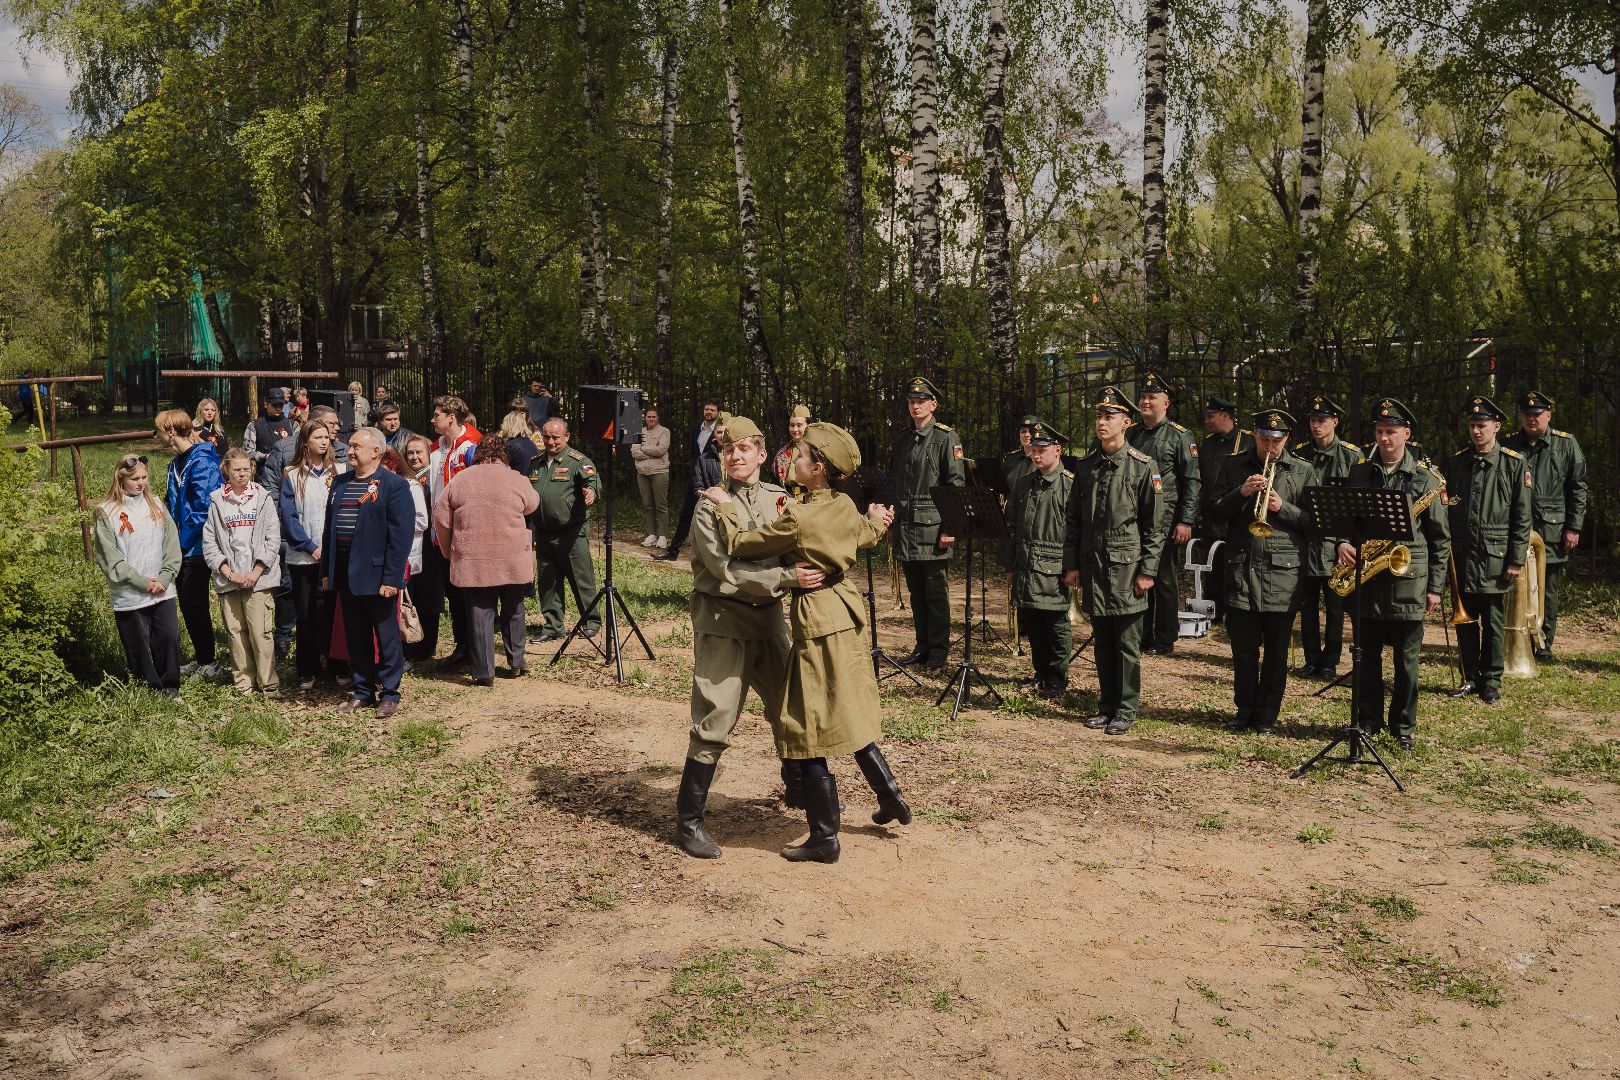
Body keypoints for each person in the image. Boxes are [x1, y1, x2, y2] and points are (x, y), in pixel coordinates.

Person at [701, 422, 904, 864]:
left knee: (804, 724)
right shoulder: (844, 504)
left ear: (818, 469)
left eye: (803, 453)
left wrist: (725, 507)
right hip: (847, 612)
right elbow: (862, 535)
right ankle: (889, 795)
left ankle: (824, 837)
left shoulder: (799, 517)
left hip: (816, 619)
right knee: (849, 705)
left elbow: (741, 544)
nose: (794, 456)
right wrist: (877, 520)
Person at [676, 415, 796, 858]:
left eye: (744, 448)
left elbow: (798, 545)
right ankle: (688, 820)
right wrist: (786, 577)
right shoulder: (709, 506)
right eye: (728, 449)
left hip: (770, 623)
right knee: (716, 717)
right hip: (724, 622)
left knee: (790, 707)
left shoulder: (780, 500)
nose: (735, 455)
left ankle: (798, 786)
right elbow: (724, 569)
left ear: (762, 454)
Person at [1336, 398, 1450, 750]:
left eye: (1390, 431)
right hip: (1368, 580)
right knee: (1366, 658)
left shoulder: (1426, 479)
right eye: (1379, 431)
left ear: (1406, 434)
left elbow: (1440, 539)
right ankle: (1369, 720)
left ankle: (1403, 726)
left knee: (1407, 662)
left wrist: (1435, 588)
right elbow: (1344, 522)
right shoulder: (1359, 472)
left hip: (1408, 582)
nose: (1384, 438)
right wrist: (1342, 543)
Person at [1062, 387, 1166, 736]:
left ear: (1126, 422)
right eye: (1099, 416)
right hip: (1094, 565)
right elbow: (1074, 521)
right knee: (1103, 641)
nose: (1102, 422)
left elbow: (1155, 526)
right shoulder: (1086, 466)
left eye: (1110, 417)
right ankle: (1106, 705)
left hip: (1127, 567)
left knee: (1126, 643)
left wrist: (1148, 570)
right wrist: (1072, 565)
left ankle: (1125, 708)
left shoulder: (1143, 466)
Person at [1209, 409, 1311, 734]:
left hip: (1283, 574)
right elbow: (1214, 513)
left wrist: (1283, 508)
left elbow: (1314, 524)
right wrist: (1240, 493)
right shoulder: (1233, 465)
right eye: (1264, 439)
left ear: (1287, 439)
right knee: (1243, 650)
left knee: (1277, 652)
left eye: (1276, 441)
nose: (1269, 447)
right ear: (1254, 434)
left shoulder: (1303, 470)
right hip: (1242, 569)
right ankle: (1244, 710)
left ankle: (1267, 715)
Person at [1443, 396, 1531, 704]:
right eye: (1472, 425)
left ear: (1496, 427)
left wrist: (1516, 559)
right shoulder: (1456, 464)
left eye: (1482, 425)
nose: (1476, 431)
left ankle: (1491, 680)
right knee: (1465, 620)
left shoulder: (1513, 463)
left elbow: (1522, 517)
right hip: (1462, 555)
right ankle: (1470, 677)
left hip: (1495, 557)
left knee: (1493, 623)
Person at [432, 434, 539, 686]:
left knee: (479, 613)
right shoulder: (516, 478)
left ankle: (483, 672)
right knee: (514, 608)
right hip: (512, 556)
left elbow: (441, 518)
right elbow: (532, 504)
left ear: (477, 455)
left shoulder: (460, 479)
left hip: (473, 558)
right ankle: (516, 661)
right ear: (504, 455)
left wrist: (449, 551)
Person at [323, 427, 414, 717]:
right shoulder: (340, 483)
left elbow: (400, 537)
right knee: (356, 637)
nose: (349, 451)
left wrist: (392, 578)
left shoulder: (394, 485)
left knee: (386, 638)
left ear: (376, 452)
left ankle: (389, 693)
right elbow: (329, 530)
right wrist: (328, 570)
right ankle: (362, 690)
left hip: (378, 578)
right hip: (346, 576)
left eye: (356, 446)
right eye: (349, 446)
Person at [1502, 390, 1587, 661]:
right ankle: (1515, 637)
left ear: (1548, 415)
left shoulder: (1566, 444)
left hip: (1552, 530)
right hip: (1514, 528)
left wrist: (1574, 527)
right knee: (1513, 583)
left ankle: (1542, 641)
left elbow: (1578, 488)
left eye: (1537, 414)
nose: (1532, 418)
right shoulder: (1508, 444)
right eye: (1527, 414)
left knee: (1546, 588)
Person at [891, 376, 965, 673]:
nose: (916, 406)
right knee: (916, 593)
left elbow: (955, 485)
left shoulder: (947, 438)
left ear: (933, 404)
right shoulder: (902, 438)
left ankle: (938, 650)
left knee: (936, 593)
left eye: (921, 401)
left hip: (933, 528)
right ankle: (922, 647)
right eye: (911, 401)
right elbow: (896, 483)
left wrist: (950, 527)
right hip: (906, 526)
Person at [93, 453, 183, 696]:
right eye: (135, 479)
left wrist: (165, 576)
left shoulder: (156, 505)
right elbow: (109, 557)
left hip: (161, 588)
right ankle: (149, 689)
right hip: (130, 593)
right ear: (121, 478)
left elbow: (171, 543)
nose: (141, 483)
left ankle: (170, 686)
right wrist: (141, 582)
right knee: (138, 645)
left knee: (168, 636)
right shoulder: (107, 512)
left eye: (144, 477)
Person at [1002, 421, 1074, 700]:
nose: (1036, 455)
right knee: (1032, 621)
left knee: (1054, 623)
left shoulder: (1069, 485)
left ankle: (1057, 678)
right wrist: (1011, 564)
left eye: (1042, 449)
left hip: (1054, 568)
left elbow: (1076, 530)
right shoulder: (1024, 483)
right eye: (1033, 449)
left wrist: (1072, 567)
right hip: (1026, 565)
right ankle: (1041, 673)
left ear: (1057, 450)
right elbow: (1011, 526)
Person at [1128, 372, 1199, 656]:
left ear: (1166, 403)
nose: (1146, 402)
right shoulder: (1131, 434)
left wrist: (1186, 520)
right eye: (1143, 397)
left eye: (1152, 397)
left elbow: (1191, 480)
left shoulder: (1179, 436)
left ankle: (1166, 637)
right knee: (1138, 574)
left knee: (1165, 579)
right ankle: (1142, 634)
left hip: (1166, 520)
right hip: (1135, 517)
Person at [202, 448, 282, 696]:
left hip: (259, 578)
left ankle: (268, 683)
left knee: (261, 632)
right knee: (236, 633)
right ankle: (244, 683)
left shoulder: (262, 498)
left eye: (246, 469)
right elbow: (210, 543)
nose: (242, 474)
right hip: (230, 579)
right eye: (236, 469)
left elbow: (273, 539)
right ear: (226, 470)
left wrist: (256, 572)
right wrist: (228, 572)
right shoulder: (218, 501)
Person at [1291, 394, 1361, 679]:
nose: (1316, 425)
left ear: (1335, 422)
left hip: (1337, 545)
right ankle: (1311, 659)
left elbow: (1357, 506)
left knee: (1335, 605)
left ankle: (1330, 660)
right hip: (1306, 541)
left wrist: (1346, 541)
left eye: (1322, 420)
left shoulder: (1351, 456)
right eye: (1312, 420)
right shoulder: (1299, 454)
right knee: (1306, 606)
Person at [280, 418, 347, 690]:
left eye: (326, 437)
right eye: (318, 437)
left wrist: (331, 549)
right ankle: (308, 669)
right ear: (305, 442)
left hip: (334, 557)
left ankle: (338, 665)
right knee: (306, 614)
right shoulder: (292, 475)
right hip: (303, 559)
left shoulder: (340, 471)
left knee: (333, 611)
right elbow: (289, 519)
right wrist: (311, 547)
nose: (324, 441)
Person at [156, 409, 224, 677]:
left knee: (194, 601)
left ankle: (210, 662)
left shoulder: (202, 462)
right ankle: (202, 656)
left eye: (159, 430)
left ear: (171, 431)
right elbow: (171, 502)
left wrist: (180, 544)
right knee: (187, 602)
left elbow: (203, 509)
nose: (158, 436)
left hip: (197, 545)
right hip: (180, 544)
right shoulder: (176, 464)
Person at [527, 416, 603, 642]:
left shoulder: (578, 461)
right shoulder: (536, 462)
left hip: (571, 532)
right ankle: (553, 626)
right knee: (547, 581)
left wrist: (591, 492)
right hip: (543, 532)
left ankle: (591, 622)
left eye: (555, 437)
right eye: (546, 437)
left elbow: (592, 482)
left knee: (581, 578)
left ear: (567, 436)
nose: (550, 442)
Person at [424, 395, 482, 663]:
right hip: (441, 532)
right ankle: (462, 645)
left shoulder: (471, 446)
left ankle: (473, 647)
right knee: (452, 589)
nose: (432, 419)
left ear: (451, 417)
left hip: (464, 532)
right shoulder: (437, 447)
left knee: (466, 590)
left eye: (437, 415)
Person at [1196, 397, 1250, 625]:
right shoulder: (1208, 444)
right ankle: (1214, 611)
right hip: (1213, 514)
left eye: (1211, 416)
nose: (1207, 421)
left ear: (1225, 415)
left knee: (1237, 566)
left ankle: (1236, 609)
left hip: (1236, 514)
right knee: (1213, 565)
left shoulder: (1246, 440)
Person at [654, 398, 723, 560]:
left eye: (712, 410)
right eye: (706, 409)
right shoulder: (696, 430)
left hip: (715, 480)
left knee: (717, 516)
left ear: (718, 413)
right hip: (696, 479)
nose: (708, 412)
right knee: (686, 514)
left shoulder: (721, 431)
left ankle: (716, 555)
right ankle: (673, 551)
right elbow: (694, 455)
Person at [260, 404, 350, 487]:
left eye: (337, 424)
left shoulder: (344, 450)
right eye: (332, 424)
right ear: (314, 423)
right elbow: (270, 484)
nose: (337, 428)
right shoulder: (283, 449)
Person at [631, 405, 672, 548]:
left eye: (654, 416)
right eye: (649, 416)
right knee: (648, 505)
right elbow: (634, 452)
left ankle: (663, 536)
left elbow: (661, 450)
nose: (651, 419)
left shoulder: (664, 431)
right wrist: (651, 452)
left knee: (661, 505)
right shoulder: (639, 432)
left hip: (659, 472)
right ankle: (652, 535)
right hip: (642, 473)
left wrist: (643, 449)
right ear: (645, 418)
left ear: (658, 418)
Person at [242, 387, 296, 467]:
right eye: (274, 405)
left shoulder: (293, 425)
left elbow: (300, 450)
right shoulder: (254, 425)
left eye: (281, 405)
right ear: (266, 405)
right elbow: (248, 452)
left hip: (288, 471)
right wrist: (266, 457)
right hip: (264, 471)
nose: (278, 408)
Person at [771, 404, 812, 498]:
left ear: (808, 426)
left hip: (810, 498)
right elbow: (775, 480)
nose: (795, 429)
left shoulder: (815, 451)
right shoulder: (783, 452)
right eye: (792, 425)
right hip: (787, 498)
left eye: (799, 425)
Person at [497, 398, 543, 476]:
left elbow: (539, 456)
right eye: (514, 412)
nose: (518, 415)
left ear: (527, 414)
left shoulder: (535, 433)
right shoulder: (501, 433)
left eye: (522, 413)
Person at [1001, 414, 1041, 489]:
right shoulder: (1010, 459)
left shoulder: (1044, 459)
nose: (1027, 435)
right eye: (1023, 431)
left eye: (1031, 431)